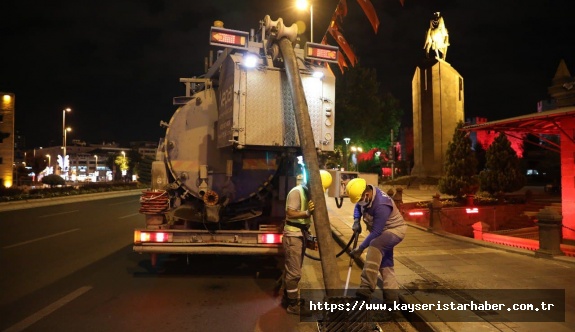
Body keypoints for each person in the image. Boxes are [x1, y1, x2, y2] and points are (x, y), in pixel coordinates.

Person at [347, 178, 407, 304]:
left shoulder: (381, 205)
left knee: (375, 244)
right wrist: (356, 220)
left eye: (360, 199)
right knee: (386, 265)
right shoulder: (365, 195)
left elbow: (376, 233)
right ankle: (392, 301)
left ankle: (366, 287)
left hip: (394, 230)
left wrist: (360, 248)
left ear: (367, 195)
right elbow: (358, 206)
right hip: (383, 232)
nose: (359, 202)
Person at [282, 173, 315, 315]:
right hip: (293, 235)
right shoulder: (297, 192)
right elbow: (290, 213)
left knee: (293, 269)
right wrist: (307, 213)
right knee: (294, 272)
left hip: (300, 234)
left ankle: (289, 296)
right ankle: (292, 305)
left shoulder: (307, 193)